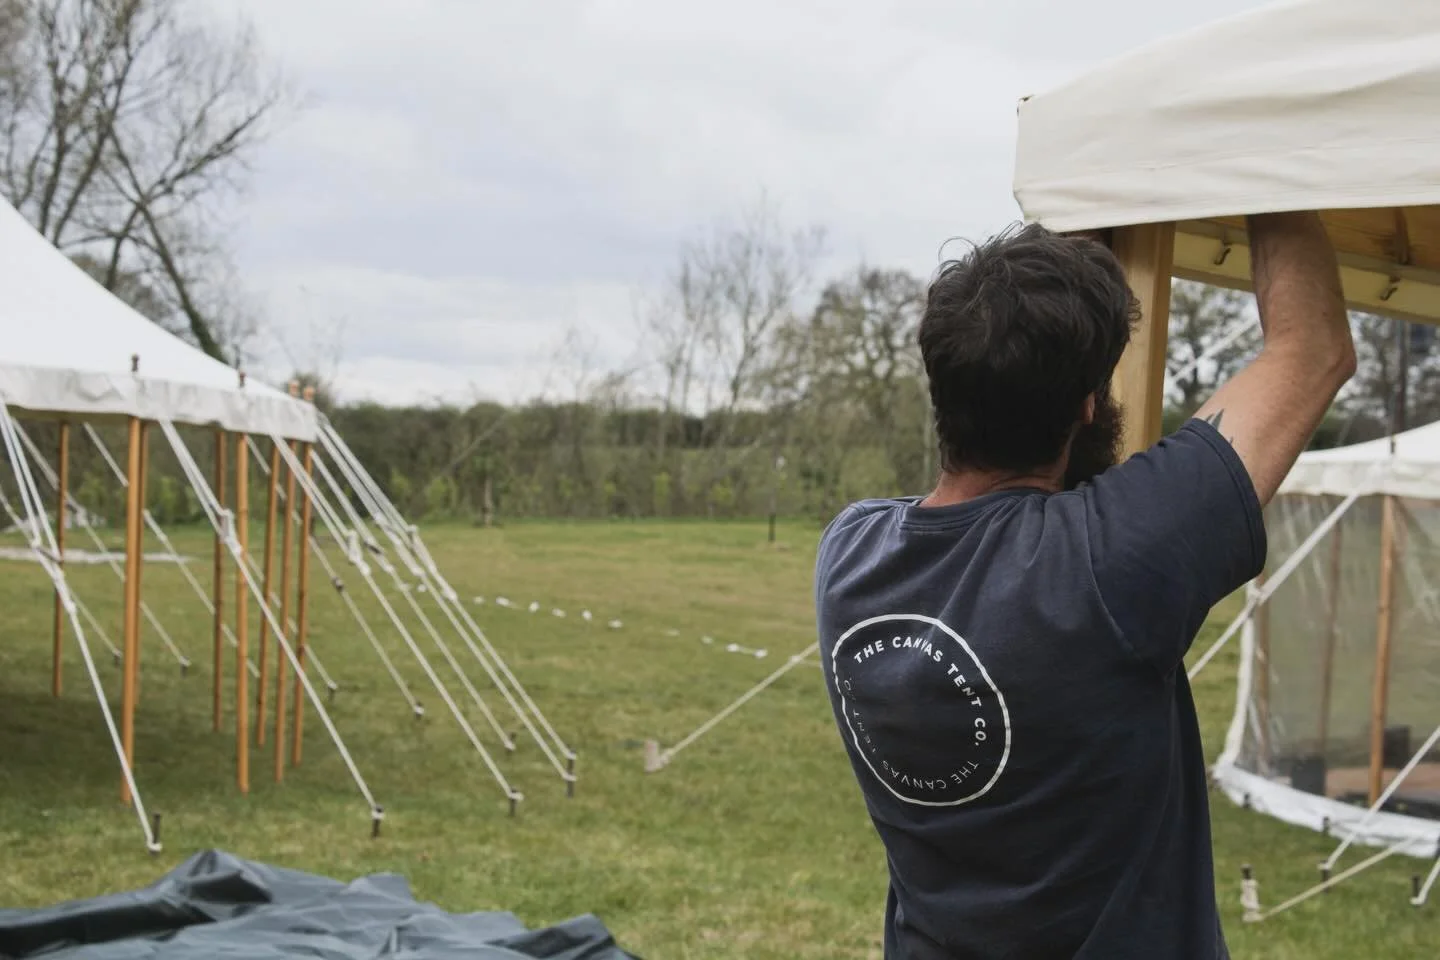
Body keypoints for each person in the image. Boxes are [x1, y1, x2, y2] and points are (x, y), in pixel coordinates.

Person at [814, 212, 1355, 959]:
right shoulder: (1108, 563)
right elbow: (1312, 349)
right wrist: (1262, 153)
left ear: (940, 381)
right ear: (1087, 408)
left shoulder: (849, 553)